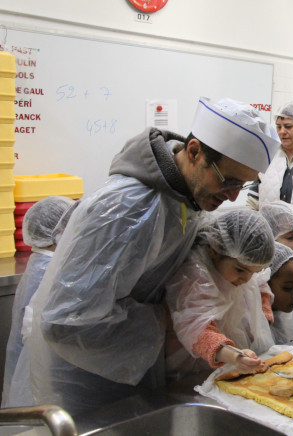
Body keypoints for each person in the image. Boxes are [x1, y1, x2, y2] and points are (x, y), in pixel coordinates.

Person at [26, 97, 280, 415]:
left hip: (131, 373)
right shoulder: (126, 208)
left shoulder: (185, 201)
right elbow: (65, 322)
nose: (231, 195)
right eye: (227, 180)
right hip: (88, 381)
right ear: (193, 152)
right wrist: (168, 320)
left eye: (240, 186)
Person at [164, 209, 275, 380]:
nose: (246, 279)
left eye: (253, 271)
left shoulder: (237, 267)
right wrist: (232, 355)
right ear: (214, 251)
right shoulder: (195, 276)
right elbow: (197, 329)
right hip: (191, 368)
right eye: (240, 270)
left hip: (233, 360)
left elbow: (261, 282)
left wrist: (265, 311)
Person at [2, 196, 75, 408]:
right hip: (35, 383)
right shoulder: (49, 270)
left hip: (27, 379)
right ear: (59, 232)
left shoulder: (40, 262)